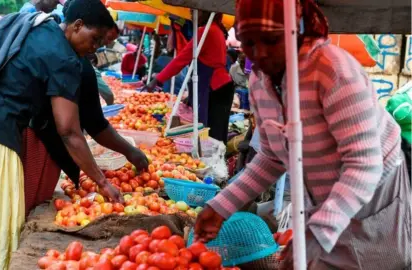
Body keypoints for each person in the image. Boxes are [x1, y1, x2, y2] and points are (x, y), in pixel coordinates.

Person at [194, 0, 411, 269]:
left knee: (373, 261)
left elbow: (364, 165)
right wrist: (221, 206)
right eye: (248, 42)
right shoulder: (259, 81)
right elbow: (272, 158)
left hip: (374, 187)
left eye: (271, 40)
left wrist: (316, 234)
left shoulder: (333, 70)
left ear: (296, 31)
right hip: (322, 186)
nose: (259, 53)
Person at [0, 0, 124, 268]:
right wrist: (102, 182)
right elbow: (69, 131)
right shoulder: (66, 59)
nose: (94, 48)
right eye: (94, 39)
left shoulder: (36, 26)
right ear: (77, 25)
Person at [144, 11, 234, 145]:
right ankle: (217, 157)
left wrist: (157, 79)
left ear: (206, 13)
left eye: (195, 11)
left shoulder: (206, 31)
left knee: (212, 132)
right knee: (217, 130)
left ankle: (215, 160)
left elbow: (182, 58)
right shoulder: (215, 29)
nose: (192, 14)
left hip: (216, 86)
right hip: (221, 86)